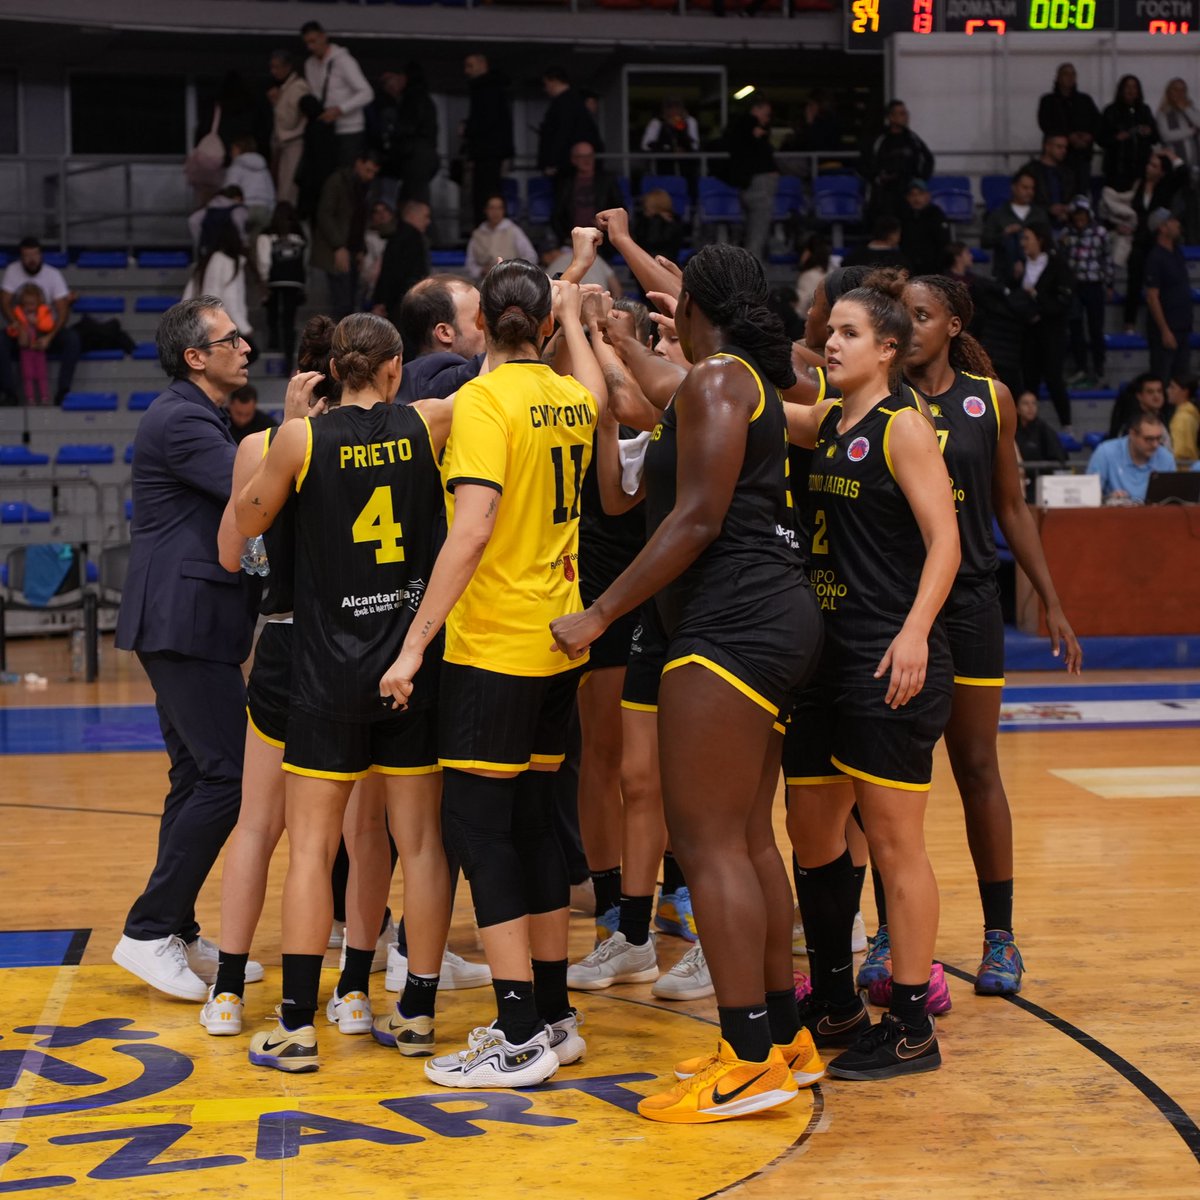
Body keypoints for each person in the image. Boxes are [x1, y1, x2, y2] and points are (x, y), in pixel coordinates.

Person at [552, 244, 825, 1122]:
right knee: (747, 840)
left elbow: (697, 518)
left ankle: (745, 1058)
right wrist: (618, 338)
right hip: (773, 618)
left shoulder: (717, 382)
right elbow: (663, 388)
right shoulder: (738, 382)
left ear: (696, 309)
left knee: (707, 845)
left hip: (731, 624)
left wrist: (600, 613)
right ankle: (783, 1037)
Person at [378, 258, 605, 1090]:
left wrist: (413, 645)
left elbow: (471, 529)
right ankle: (553, 1015)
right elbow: (595, 387)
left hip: (496, 643)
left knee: (479, 831)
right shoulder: (572, 398)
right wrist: (574, 313)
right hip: (558, 642)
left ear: (480, 327)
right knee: (537, 822)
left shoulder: (481, 402)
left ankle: (515, 1036)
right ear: (542, 325)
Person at [234, 312, 455, 1072]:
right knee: (419, 845)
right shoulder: (429, 423)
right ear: (394, 369)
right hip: (408, 667)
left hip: (327, 669)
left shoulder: (299, 440)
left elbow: (247, 525)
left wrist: (285, 434)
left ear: (333, 370)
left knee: (311, 849)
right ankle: (417, 1013)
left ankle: (297, 1027)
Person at [781, 270, 959, 1081]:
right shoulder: (827, 420)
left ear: (888, 349)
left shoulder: (904, 426)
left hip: (889, 656)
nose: (832, 343)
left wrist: (916, 630)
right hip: (824, 657)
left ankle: (913, 1027)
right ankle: (836, 1001)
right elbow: (741, 403)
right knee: (813, 835)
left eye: (849, 333)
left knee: (893, 844)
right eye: (830, 332)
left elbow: (946, 540)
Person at [896, 273, 1081, 1002]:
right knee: (890, 776)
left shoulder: (990, 399)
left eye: (922, 315)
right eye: (901, 314)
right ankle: (885, 934)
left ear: (953, 325)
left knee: (976, 767)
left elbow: (1011, 504)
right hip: (897, 603)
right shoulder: (881, 397)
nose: (908, 325)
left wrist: (1050, 600)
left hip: (970, 602)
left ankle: (1000, 937)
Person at [111, 298, 268, 1000]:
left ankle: (174, 928)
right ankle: (148, 932)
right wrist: (307, 432)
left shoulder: (196, 414)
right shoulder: (182, 419)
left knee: (195, 776)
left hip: (186, 619)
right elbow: (256, 491)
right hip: (183, 618)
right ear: (195, 357)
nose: (246, 346)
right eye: (231, 338)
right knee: (229, 777)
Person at [203, 325, 337, 1036]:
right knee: (360, 832)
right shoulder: (391, 440)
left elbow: (233, 553)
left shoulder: (262, 445)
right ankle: (354, 989)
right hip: (363, 644)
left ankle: (228, 990)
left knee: (258, 825)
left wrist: (283, 437)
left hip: (286, 639)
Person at [0, 236, 81, 406]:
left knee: (72, 339)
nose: (32, 259)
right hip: (21, 329)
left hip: (45, 329)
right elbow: (4, 302)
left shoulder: (53, 275)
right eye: (27, 255)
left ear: (41, 255)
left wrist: (49, 337)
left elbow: (63, 310)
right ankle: (9, 394)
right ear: (21, 257)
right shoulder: (12, 271)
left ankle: (63, 392)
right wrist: (19, 327)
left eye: (35, 254)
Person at [1014, 221, 1074, 431]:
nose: (1023, 243)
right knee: (1029, 380)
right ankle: (1027, 428)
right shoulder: (1019, 266)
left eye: (1027, 238)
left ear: (1039, 240)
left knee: (1053, 378)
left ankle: (1067, 425)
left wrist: (1037, 299)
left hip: (1052, 333)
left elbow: (1063, 301)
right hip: (1027, 334)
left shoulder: (1057, 264)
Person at [312, 151, 381, 321]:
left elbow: (360, 219)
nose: (370, 176)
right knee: (342, 302)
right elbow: (325, 214)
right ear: (358, 163)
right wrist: (338, 246)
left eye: (373, 172)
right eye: (368, 170)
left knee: (350, 301)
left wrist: (360, 248)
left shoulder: (364, 187)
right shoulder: (338, 182)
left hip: (353, 248)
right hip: (338, 248)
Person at [395, 275, 486, 403]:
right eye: (479, 319)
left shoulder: (408, 378)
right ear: (444, 333)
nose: (490, 326)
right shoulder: (434, 373)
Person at [301, 21, 375, 166]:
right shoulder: (309, 64)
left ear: (323, 37)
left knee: (346, 174)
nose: (311, 47)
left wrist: (340, 109)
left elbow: (367, 93)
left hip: (349, 129)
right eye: (307, 43)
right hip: (325, 129)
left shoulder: (344, 61)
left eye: (313, 41)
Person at [1059, 195, 1112, 387]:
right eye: (1076, 214)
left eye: (1082, 213)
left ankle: (1099, 369)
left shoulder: (1100, 233)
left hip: (1094, 285)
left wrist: (1109, 284)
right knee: (1076, 329)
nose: (1079, 217)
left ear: (1088, 214)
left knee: (1096, 329)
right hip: (1074, 288)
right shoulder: (1066, 234)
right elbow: (1062, 261)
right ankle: (1081, 368)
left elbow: (1107, 259)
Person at [371, 66, 440, 208]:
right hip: (420, 155)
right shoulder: (421, 99)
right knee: (412, 200)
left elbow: (405, 128)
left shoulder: (410, 100)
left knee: (414, 202)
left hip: (413, 156)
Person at [183, 224, 254, 358]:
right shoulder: (229, 262)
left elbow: (187, 296)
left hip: (201, 325)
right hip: (221, 327)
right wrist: (245, 328)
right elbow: (230, 299)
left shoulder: (205, 262)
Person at [725, 94, 778, 268]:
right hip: (758, 186)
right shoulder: (748, 125)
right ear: (756, 109)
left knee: (751, 232)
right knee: (757, 234)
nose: (767, 119)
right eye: (766, 114)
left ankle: (749, 269)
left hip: (749, 185)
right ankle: (753, 271)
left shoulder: (738, 127)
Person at [462, 53, 515, 223]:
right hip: (489, 151)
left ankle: (488, 225)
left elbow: (485, 120)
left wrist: (468, 130)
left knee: (485, 193)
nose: (467, 71)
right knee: (487, 192)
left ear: (482, 65)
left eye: (470, 66)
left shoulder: (486, 89)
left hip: (487, 151)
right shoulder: (491, 88)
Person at [861, 100, 934, 220]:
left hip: (907, 191)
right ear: (891, 117)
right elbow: (864, 163)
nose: (906, 117)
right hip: (884, 193)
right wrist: (877, 178)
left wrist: (920, 180)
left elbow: (928, 159)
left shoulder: (913, 139)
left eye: (906, 113)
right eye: (901, 113)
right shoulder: (879, 140)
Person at [256, 201, 308, 372]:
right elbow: (304, 261)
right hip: (295, 281)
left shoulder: (266, 236)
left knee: (273, 313)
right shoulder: (300, 237)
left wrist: (264, 279)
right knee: (289, 321)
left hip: (274, 280)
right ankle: (288, 359)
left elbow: (264, 261)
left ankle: (274, 341)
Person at [1144, 209, 1193, 384]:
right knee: (1162, 380)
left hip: (1182, 328)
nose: (1177, 224)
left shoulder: (1177, 252)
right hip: (1166, 331)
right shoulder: (1155, 258)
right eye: (1172, 221)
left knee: (1181, 382)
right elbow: (1152, 297)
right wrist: (1165, 330)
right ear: (1162, 227)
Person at [1037, 63, 1100, 198]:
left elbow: (1097, 122)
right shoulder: (1048, 101)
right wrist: (1068, 137)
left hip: (1082, 156)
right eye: (1066, 74)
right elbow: (1045, 124)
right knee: (1056, 191)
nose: (1070, 77)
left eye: (1073, 74)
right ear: (1057, 77)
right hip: (1056, 158)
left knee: (1081, 193)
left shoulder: (1085, 100)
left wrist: (1089, 136)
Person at [551, 143, 624, 255]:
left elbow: (619, 209)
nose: (587, 160)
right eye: (582, 157)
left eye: (590, 156)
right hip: (572, 239)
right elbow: (557, 215)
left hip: (602, 239)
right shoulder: (565, 182)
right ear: (574, 160)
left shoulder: (607, 180)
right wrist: (565, 238)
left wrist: (604, 224)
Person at [1087, 411, 1176, 501]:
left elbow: (1173, 500)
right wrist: (1107, 499)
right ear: (1132, 434)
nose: (1155, 445)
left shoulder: (1167, 458)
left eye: (1158, 438)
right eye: (1149, 439)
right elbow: (1088, 496)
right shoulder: (1105, 452)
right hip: (1113, 509)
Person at [371, 198, 432, 327]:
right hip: (406, 305)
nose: (428, 221)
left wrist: (381, 301)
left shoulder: (396, 237)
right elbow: (395, 274)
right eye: (425, 216)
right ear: (413, 215)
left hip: (397, 304)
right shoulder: (413, 238)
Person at [981, 170, 1047, 282]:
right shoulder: (998, 214)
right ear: (1014, 187)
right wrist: (1004, 234)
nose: (1029, 192)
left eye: (1032, 188)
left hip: (1036, 273)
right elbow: (985, 241)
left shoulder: (1039, 214)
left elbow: (1047, 241)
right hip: (1005, 272)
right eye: (1025, 188)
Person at [1099, 75, 1161, 194]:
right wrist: (1117, 138)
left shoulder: (1145, 110)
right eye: (1127, 87)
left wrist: (1149, 132)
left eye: (1134, 87)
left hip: (1141, 167)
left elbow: (1156, 138)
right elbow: (1101, 138)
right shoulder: (1110, 111)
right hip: (1117, 168)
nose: (1131, 90)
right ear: (1121, 90)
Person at [537, 67, 602, 177]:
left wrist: (553, 162)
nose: (545, 88)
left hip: (566, 165)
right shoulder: (573, 101)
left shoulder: (564, 103)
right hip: (570, 162)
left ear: (554, 81)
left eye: (546, 84)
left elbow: (562, 133)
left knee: (567, 187)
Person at [268, 49, 309, 207]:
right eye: (272, 67)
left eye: (277, 67)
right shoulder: (286, 87)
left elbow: (290, 121)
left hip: (294, 143)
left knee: (288, 190)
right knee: (282, 188)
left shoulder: (298, 87)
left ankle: (288, 219)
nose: (274, 71)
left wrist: (276, 103)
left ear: (288, 67)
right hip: (284, 145)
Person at [466, 194, 537, 281]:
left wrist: (513, 270)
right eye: (492, 208)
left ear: (504, 210)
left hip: (510, 280)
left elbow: (531, 256)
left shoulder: (513, 230)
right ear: (486, 210)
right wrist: (481, 271)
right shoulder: (478, 234)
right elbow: (470, 263)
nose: (495, 212)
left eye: (499, 208)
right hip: (485, 280)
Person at [224, 136, 277, 247]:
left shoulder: (236, 168)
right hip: (263, 208)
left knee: (242, 244)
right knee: (259, 245)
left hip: (244, 208)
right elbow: (270, 190)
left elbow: (230, 191)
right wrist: (271, 209)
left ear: (239, 149)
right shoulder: (263, 169)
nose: (230, 153)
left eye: (233, 149)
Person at [6, 283, 53, 405]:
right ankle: (30, 398)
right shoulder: (19, 315)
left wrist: (37, 322)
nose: (29, 307)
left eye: (32, 304)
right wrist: (13, 328)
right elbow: (13, 332)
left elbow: (48, 326)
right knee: (28, 375)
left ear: (38, 303)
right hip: (26, 351)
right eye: (26, 304)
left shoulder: (43, 313)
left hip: (39, 350)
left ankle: (44, 397)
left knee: (42, 375)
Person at [899, 179, 950, 277]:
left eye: (920, 194)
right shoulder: (903, 215)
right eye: (912, 195)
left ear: (927, 196)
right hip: (909, 268)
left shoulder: (936, 214)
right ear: (907, 198)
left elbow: (944, 243)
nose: (916, 198)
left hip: (933, 269)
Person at [1019, 134, 1072, 227]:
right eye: (1059, 147)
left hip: (1066, 224)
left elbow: (1075, 197)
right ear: (1047, 147)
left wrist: (1068, 210)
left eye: (1065, 147)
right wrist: (1048, 209)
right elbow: (1021, 200)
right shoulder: (1030, 171)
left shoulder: (1067, 172)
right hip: (1038, 224)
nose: (1063, 151)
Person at [640, 98, 699, 178]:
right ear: (665, 111)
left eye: (677, 108)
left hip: (685, 167)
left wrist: (680, 125)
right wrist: (670, 149)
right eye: (670, 108)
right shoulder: (657, 122)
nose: (674, 112)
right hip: (663, 165)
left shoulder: (689, 121)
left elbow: (694, 146)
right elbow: (645, 145)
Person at [1014, 389, 1066, 476]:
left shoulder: (1045, 430)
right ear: (1017, 409)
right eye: (1025, 403)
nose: (1030, 407)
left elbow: (1058, 459)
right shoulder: (1012, 430)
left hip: (1041, 478)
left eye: (1034, 403)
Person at [633, 189, 684, 265]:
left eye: (646, 204)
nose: (645, 207)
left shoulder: (674, 221)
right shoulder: (643, 221)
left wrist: (657, 220)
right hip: (645, 260)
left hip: (665, 262)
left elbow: (656, 242)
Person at [1108, 373, 1167, 439]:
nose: (1156, 395)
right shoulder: (1133, 423)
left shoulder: (1162, 417)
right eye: (1150, 392)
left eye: (1159, 391)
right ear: (1139, 396)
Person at [1168, 376, 1199, 468]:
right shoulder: (1190, 413)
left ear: (1185, 391)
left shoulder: (1182, 418)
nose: (1168, 390)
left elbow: (1180, 452)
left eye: (1172, 387)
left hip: (1182, 470)